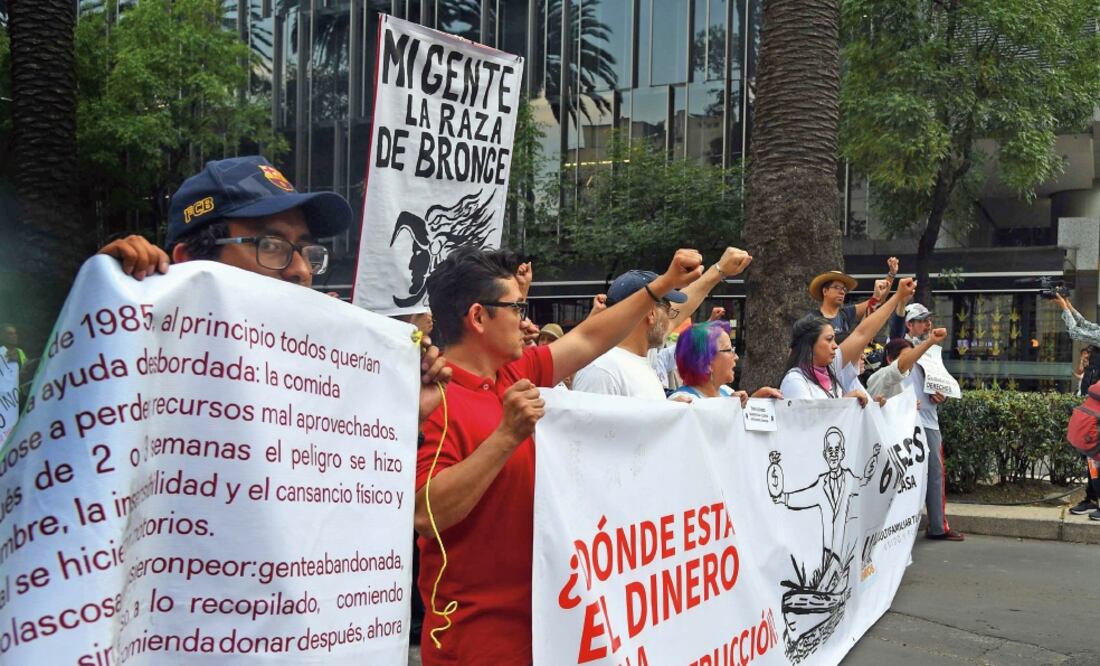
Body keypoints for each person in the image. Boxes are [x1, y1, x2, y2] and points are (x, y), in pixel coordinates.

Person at [414, 246, 703, 665]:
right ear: (478, 317)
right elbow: (426, 514)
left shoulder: (512, 373)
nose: (526, 320)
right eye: (516, 307)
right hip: (475, 642)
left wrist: (662, 285)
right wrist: (507, 436)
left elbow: (590, 337)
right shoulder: (431, 398)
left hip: (547, 628)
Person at [94, 155, 451, 423]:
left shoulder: (323, 378)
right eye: (270, 246)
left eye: (308, 252)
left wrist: (401, 420)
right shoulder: (139, 364)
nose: (300, 270)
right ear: (190, 261)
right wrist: (103, 312)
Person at [574, 247, 753, 398]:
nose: (671, 315)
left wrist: (720, 270)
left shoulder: (643, 359)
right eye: (668, 309)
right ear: (651, 313)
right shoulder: (603, 370)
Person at [780, 277, 916, 404]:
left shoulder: (834, 371)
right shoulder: (795, 380)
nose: (835, 346)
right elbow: (809, 423)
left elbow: (863, 333)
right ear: (809, 344)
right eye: (829, 340)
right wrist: (843, 404)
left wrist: (872, 407)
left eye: (844, 289)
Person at [892, 301, 964, 541]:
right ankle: (897, 529)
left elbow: (936, 381)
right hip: (902, 418)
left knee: (934, 473)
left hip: (928, 418)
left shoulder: (931, 350)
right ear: (909, 324)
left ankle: (937, 526)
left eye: (928, 319)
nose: (927, 324)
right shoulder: (898, 346)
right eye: (921, 320)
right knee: (901, 475)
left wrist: (940, 394)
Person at [668, 320, 782, 406]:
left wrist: (755, 403)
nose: (736, 357)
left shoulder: (726, 391)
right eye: (729, 350)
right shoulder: (682, 402)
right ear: (706, 363)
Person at [807, 256, 898, 336]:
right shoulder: (811, 319)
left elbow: (877, 300)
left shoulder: (845, 314)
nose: (842, 292)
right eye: (837, 287)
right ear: (825, 291)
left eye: (844, 289)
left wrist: (891, 274)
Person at [867, 328, 948, 401]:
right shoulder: (882, 376)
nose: (911, 361)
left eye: (913, 357)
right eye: (906, 357)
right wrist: (930, 341)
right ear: (890, 359)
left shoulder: (907, 380)